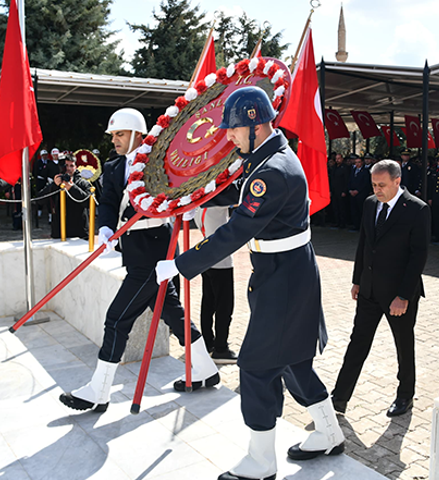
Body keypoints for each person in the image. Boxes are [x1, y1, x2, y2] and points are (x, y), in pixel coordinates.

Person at [155, 87, 343, 480]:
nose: (229, 135)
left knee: (256, 366)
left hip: (283, 279)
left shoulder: (271, 171)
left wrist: (182, 264)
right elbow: (234, 192)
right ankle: (328, 432)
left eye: (235, 128)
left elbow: (237, 229)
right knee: (292, 360)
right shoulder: (267, 158)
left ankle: (261, 462)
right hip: (285, 272)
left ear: (257, 124)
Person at [59, 107, 216, 413]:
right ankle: (206, 369)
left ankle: (99, 390)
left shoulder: (157, 162)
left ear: (136, 134)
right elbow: (106, 200)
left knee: (117, 318)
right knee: (173, 315)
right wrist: (105, 227)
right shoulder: (115, 165)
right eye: (113, 135)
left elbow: (180, 189)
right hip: (133, 248)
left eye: (119, 134)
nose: (115, 140)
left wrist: (185, 207)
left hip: (155, 249)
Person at [332, 159, 430, 420]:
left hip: (398, 294)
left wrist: (403, 296)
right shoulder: (369, 204)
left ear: (397, 182)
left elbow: (418, 256)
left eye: (382, 185)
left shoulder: (417, 210)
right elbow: (364, 243)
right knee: (357, 343)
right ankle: (339, 398)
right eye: (374, 184)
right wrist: (357, 279)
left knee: (403, 345)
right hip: (369, 289)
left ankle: (405, 395)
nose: (377, 189)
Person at [194, 206, 237, 363]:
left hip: (207, 257)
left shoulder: (200, 205)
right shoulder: (219, 205)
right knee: (224, 307)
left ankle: (207, 341)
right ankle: (221, 348)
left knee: (208, 304)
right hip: (222, 261)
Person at [39, 152, 92, 239]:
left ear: (76, 167)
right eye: (66, 165)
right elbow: (40, 200)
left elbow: (89, 202)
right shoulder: (56, 183)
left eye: (71, 166)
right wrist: (54, 186)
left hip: (79, 232)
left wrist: (72, 188)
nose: (68, 168)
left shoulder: (83, 183)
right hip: (59, 231)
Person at [348, 154, 369, 230]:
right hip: (353, 194)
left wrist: (358, 190)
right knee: (354, 210)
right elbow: (349, 181)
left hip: (361, 194)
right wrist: (350, 190)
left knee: (361, 210)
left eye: (359, 162)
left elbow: (365, 183)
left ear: (362, 163)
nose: (357, 164)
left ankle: (361, 226)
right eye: (356, 162)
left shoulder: (365, 171)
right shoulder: (353, 170)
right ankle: (355, 225)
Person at [329, 153, 350, 228]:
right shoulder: (334, 168)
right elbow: (331, 180)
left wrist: (344, 191)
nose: (337, 160)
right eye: (336, 159)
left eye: (339, 158)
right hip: (334, 191)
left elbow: (347, 180)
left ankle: (343, 223)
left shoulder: (345, 168)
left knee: (342, 208)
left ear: (342, 159)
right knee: (335, 207)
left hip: (341, 191)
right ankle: (337, 222)